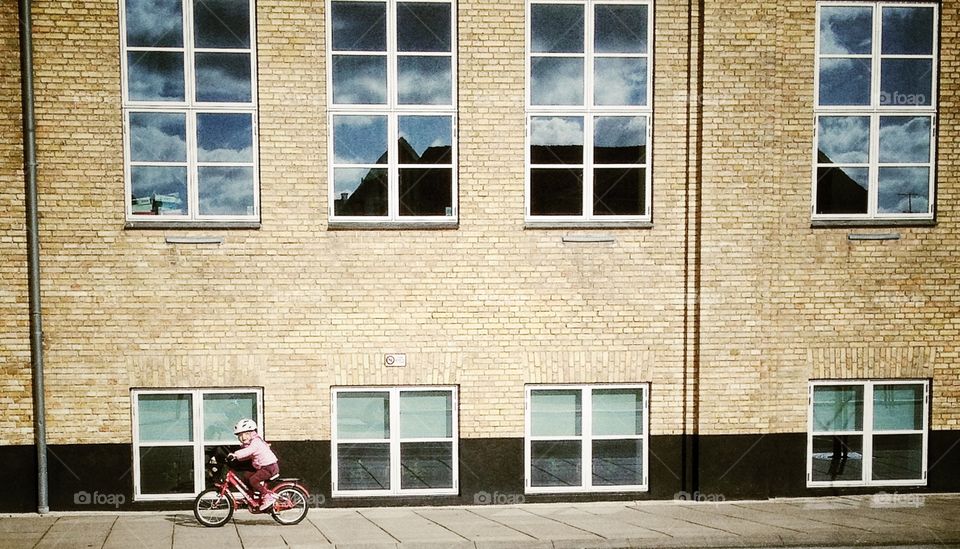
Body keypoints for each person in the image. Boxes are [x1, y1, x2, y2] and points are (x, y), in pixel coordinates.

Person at [228, 418, 280, 510]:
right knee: (247, 476)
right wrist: (236, 458)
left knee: (253, 480)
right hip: (263, 467)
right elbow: (248, 455)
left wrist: (236, 454)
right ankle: (250, 496)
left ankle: (268, 497)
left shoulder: (256, 442)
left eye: (246, 434)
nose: (243, 437)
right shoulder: (250, 443)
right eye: (240, 435)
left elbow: (249, 451)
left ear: (252, 433)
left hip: (269, 467)